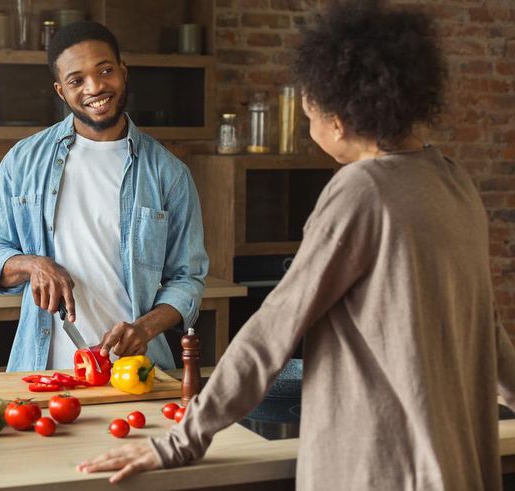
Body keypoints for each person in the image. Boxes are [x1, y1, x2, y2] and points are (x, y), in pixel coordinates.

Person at [76, 1, 515, 489]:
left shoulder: (361, 191)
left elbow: (272, 331)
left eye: (311, 116)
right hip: (461, 465)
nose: (311, 130)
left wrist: (182, 440)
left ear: (341, 119)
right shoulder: (453, 182)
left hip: (384, 468)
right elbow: (488, 333)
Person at [0, 21, 208, 371]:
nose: (95, 87)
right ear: (61, 91)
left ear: (123, 72)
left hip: (135, 371)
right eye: (76, 80)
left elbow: (187, 279)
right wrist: (33, 265)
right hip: (43, 370)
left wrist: (144, 328)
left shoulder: (169, 174)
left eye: (105, 71)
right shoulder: (22, 161)